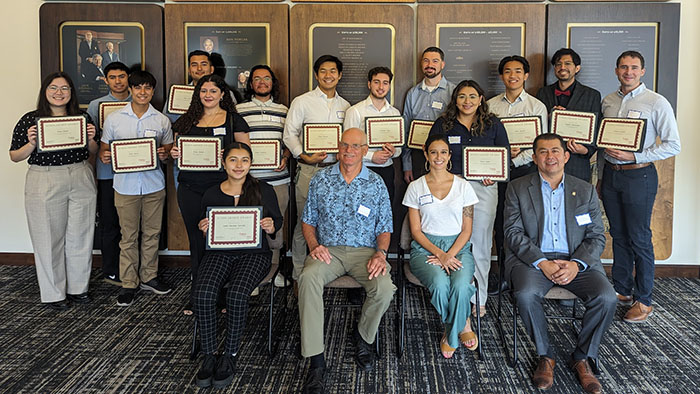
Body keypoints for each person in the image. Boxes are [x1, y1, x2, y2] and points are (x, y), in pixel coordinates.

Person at [504, 133, 617, 394]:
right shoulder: (518, 188)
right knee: (525, 293)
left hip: (575, 261)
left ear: (566, 156)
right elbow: (512, 233)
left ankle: (583, 357)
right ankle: (546, 355)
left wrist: (576, 263)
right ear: (534, 158)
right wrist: (541, 262)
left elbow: (596, 236)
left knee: (606, 297)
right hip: (533, 260)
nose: (549, 156)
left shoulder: (585, 190)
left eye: (555, 151)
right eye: (543, 152)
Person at [298, 128, 395, 393]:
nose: (349, 150)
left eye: (355, 146)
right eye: (344, 145)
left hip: (365, 252)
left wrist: (380, 253)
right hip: (329, 251)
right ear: (338, 148)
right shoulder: (321, 179)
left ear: (365, 150)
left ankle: (364, 336)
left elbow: (385, 226)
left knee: (385, 288)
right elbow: (308, 220)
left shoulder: (376, 183)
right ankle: (316, 361)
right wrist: (314, 245)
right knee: (307, 278)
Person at [193, 142, 282, 389]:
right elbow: (204, 226)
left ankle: (230, 355)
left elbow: (278, 222)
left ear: (251, 164)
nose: (239, 165)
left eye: (244, 160)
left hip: (253, 255)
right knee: (203, 293)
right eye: (233, 160)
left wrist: (271, 226)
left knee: (236, 294)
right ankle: (209, 354)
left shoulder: (264, 189)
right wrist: (204, 228)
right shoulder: (211, 193)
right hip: (219, 254)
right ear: (224, 163)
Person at [599, 51, 681, 323]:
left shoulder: (656, 102)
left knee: (640, 238)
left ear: (643, 71)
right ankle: (622, 290)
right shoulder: (608, 101)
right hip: (611, 175)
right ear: (616, 70)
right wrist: (601, 176)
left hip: (639, 175)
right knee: (619, 235)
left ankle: (644, 300)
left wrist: (636, 156)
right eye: (623, 67)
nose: (628, 72)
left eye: (634, 67)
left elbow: (673, 144)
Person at [9, 72, 98, 311]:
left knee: (81, 235)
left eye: (65, 88)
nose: (59, 93)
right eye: (53, 88)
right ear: (45, 91)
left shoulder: (82, 116)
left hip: (80, 174)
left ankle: (78, 289)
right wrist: (31, 143)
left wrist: (90, 138)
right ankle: (53, 293)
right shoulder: (31, 119)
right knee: (48, 237)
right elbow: (14, 156)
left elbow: (94, 150)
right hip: (44, 177)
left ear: (71, 92)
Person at [428, 80, 510, 317]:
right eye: (462, 96)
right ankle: (454, 295)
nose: (467, 101)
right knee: (452, 241)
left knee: (481, 244)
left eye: (472, 96)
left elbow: (504, 155)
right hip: (449, 189)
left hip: (483, 190)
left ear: (481, 99)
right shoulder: (444, 124)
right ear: (455, 100)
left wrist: (493, 175)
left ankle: (479, 298)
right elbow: (432, 151)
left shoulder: (493, 123)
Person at [171, 74, 251, 313]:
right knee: (197, 242)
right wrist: (176, 153)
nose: (208, 95)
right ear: (198, 94)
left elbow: (246, 153)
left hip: (223, 190)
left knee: (222, 243)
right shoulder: (186, 120)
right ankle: (200, 296)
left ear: (222, 94)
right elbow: (177, 149)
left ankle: (223, 294)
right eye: (203, 91)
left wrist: (228, 155)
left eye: (213, 91)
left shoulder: (234, 120)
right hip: (190, 189)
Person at [100, 70, 173, 307]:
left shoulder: (161, 120)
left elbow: (169, 150)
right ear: (130, 90)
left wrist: (164, 153)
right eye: (138, 88)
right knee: (128, 237)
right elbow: (102, 150)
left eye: (148, 88)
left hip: (154, 185)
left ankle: (149, 277)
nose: (143, 92)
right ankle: (129, 283)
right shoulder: (114, 119)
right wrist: (106, 156)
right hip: (125, 186)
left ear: (153, 91)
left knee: (152, 234)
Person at [403, 133, 480, 358]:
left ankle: (452, 331)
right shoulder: (415, 187)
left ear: (449, 156)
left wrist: (450, 254)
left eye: (443, 152)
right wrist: (440, 254)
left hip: (459, 247)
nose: (439, 157)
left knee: (462, 287)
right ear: (426, 155)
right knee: (439, 284)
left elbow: (467, 230)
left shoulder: (464, 186)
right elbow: (415, 231)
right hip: (425, 248)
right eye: (434, 152)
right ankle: (460, 325)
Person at [282, 55, 350, 283]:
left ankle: (327, 271)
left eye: (333, 71)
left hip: (337, 172)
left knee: (334, 221)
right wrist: (304, 155)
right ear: (316, 74)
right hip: (309, 170)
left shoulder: (346, 106)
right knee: (305, 222)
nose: (328, 75)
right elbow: (289, 134)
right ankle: (299, 274)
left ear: (339, 75)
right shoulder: (302, 101)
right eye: (323, 71)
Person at [487, 55, 548, 296]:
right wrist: (501, 157)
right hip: (498, 175)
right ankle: (503, 274)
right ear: (501, 76)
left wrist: (513, 158)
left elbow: (540, 145)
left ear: (526, 75)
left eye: (518, 71)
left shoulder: (536, 107)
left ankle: (525, 276)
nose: (513, 76)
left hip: (526, 172)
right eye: (508, 71)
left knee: (527, 226)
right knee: (501, 224)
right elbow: (485, 142)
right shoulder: (491, 106)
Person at [236, 65, 290, 288]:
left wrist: (285, 157)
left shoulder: (284, 110)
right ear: (250, 84)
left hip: (278, 180)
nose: (261, 82)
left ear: (272, 83)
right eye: (256, 78)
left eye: (266, 78)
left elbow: (289, 142)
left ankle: (274, 269)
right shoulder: (239, 109)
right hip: (248, 181)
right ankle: (252, 276)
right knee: (249, 228)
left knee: (275, 226)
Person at [86, 61, 131, 286]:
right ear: (106, 80)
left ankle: (131, 269)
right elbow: (92, 140)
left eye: (122, 76)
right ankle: (111, 270)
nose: (118, 81)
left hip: (135, 173)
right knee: (110, 223)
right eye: (112, 77)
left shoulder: (139, 101)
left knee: (131, 226)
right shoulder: (96, 105)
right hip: (108, 173)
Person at [536, 48, 602, 182]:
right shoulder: (543, 93)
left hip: (577, 162)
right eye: (558, 64)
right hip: (548, 164)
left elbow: (597, 129)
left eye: (568, 64)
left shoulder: (592, 95)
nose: (562, 67)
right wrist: (548, 117)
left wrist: (584, 150)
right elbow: (538, 127)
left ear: (577, 68)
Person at [343, 66, 401, 203]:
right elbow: (347, 147)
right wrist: (372, 156)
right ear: (369, 84)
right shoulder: (355, 111)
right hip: (362, 169)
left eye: (385, 83)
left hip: (387, 170)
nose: (381, 86)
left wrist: (394, 151)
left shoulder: (395, 113)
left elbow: (399, 149)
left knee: (385, 209)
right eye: (376, 82)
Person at [401, 47, 456, 184]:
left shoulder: (454, 92)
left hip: (444, 157)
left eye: (435, 61)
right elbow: (406, 130)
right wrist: (407, 165)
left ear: (442, 64)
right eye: (426, 61)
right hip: (418, 157)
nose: (430, 65)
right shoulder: (412, 94)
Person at [163, 50, 215, 124]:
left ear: (212, 69)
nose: (199, 68)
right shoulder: (177, 93)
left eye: (204, 64)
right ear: (189, 70)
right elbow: (167, 122)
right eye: (194, 65)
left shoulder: (224, 92)